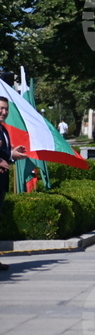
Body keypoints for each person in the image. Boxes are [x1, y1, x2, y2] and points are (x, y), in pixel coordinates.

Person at [0, 96, 28, 271]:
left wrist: (11, 152)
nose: (3, 112)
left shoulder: (3, 129)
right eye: (0, 109)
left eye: (6, 109)